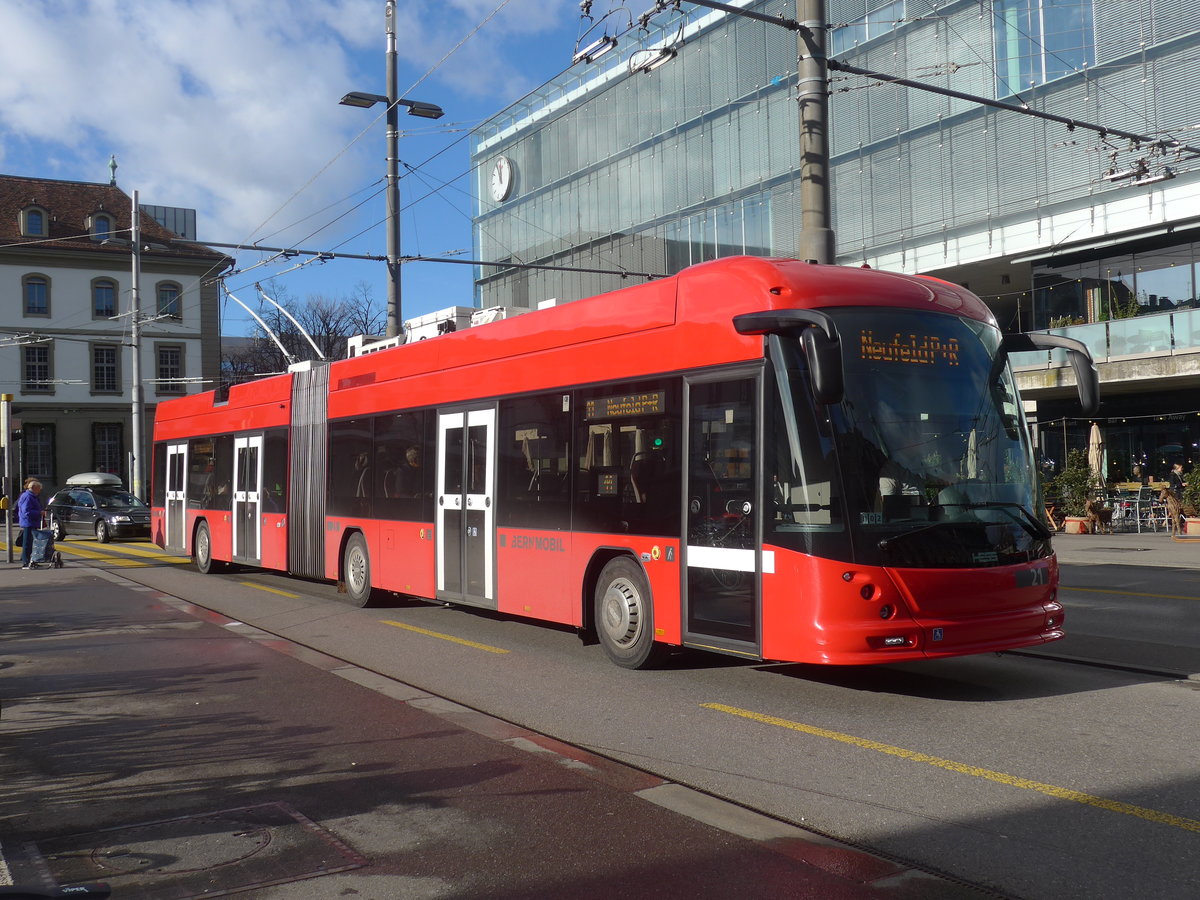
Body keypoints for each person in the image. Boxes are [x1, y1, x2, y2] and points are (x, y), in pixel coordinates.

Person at [17, 478, 43, 569]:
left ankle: (31, 560)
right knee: (27, 543)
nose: (40, 490)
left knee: (32, 543)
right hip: (28, 522)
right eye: (39, 488)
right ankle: (26, 562)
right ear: (34, 487)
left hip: (32, 522)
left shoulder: (31, 496)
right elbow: (26, 512)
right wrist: (39, 513)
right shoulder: (28, 496)